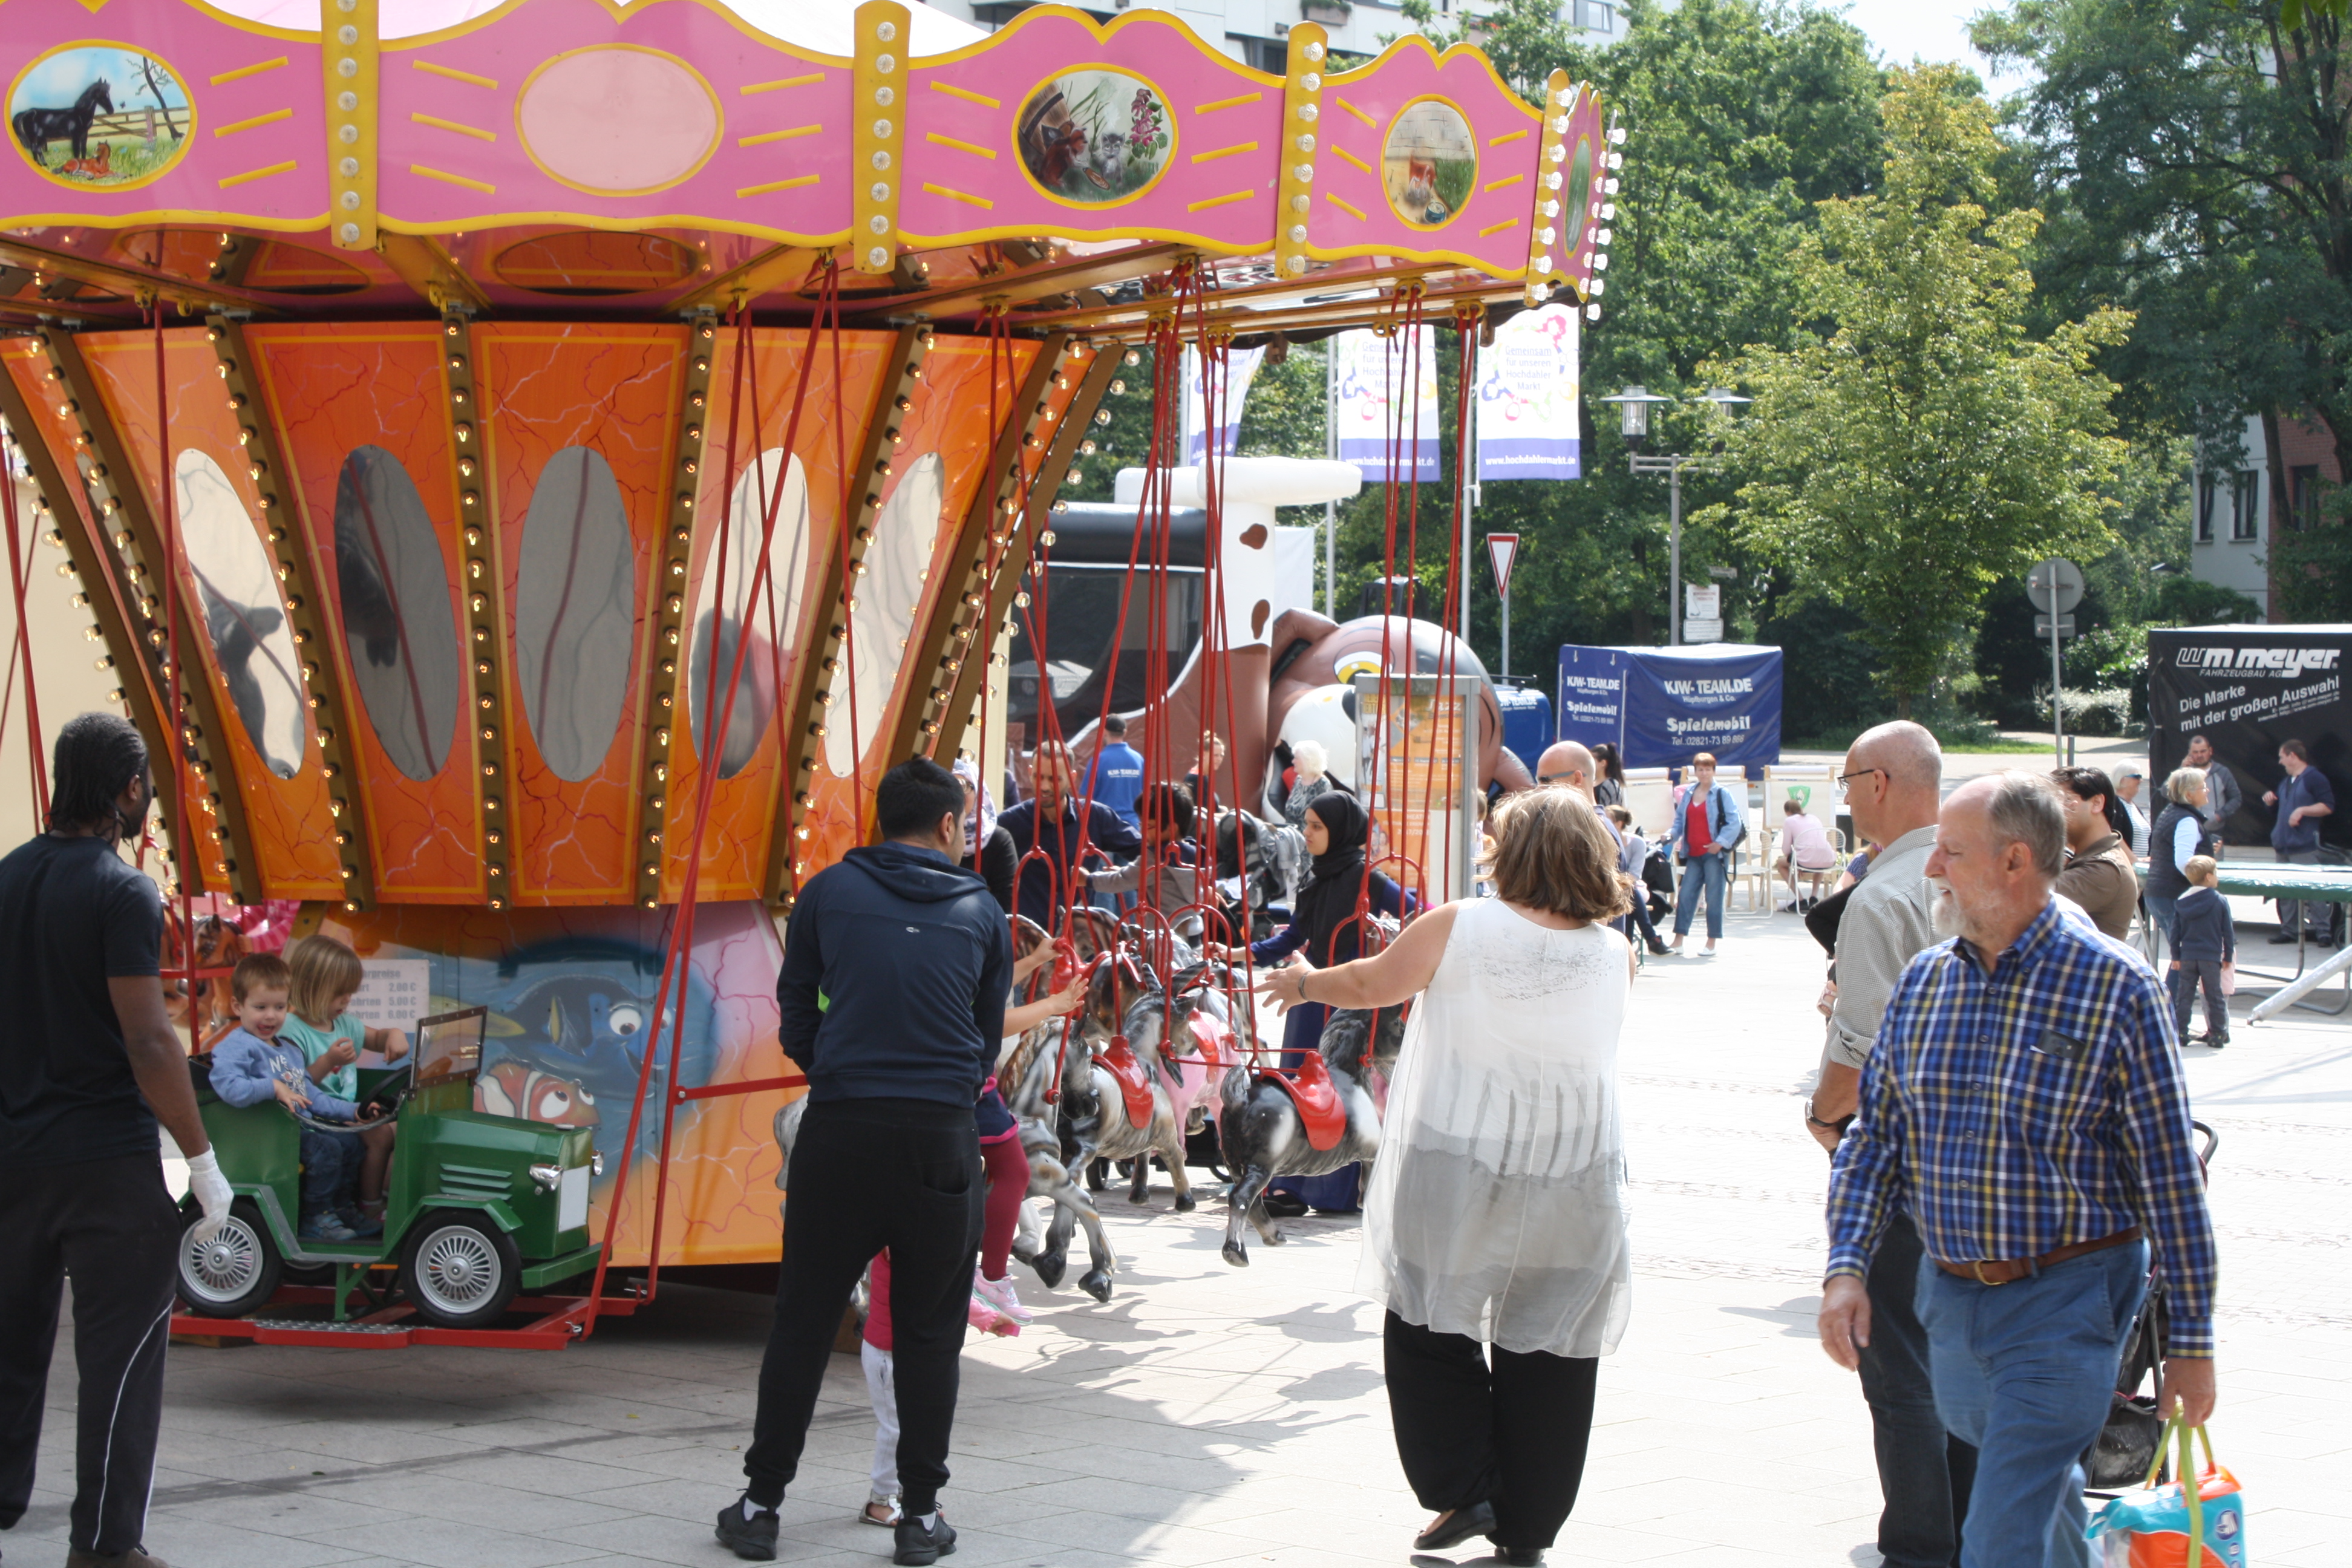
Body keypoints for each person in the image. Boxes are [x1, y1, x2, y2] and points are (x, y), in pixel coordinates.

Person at [1820, 771, 2218, 1568]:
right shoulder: (1926, 985)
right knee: (2042, 1492)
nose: (1930, 868)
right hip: (1951, 1302)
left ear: (2014, 862)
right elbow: (1876, 1142)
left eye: (1948, 851)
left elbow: (2173, 1181)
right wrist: (1847, 1268)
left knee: (1999, 1532)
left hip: (2068, 1301)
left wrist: (2192, 1346)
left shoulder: (2114, 988)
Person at [1253, 788, 1633, 1567]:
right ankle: (1527, 1527)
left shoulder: (1461, 925)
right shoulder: (1616, 953)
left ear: (1512, 852)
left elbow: (1371, 985)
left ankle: (1468, 1483)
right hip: (1576, 1175)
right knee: (1553, 1349)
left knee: (1427, 1324)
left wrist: (1302, 985)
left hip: (1461, 1160)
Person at [731, 757, 1012, 1565]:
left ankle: (760, 1507)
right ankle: (920, 1520)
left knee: (803, 1322)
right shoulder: (981, 913)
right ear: (951, 827)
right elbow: (985, 1039)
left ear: (881, 821)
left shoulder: (826, 894)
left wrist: (835, 1070)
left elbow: (795, 1005)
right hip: (941, 1140)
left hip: (843, 1128)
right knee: (929, 1333)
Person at [0, 711, 234, 1568]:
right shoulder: (124, 891)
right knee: (120, 1363)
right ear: (128, 789)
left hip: (13, 1158)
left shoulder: (7, 878)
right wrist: (202, 1160)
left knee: (11, 1350)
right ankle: (104, 1547)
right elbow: (148, 1038)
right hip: (106, 1162)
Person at [1803, 720, 1975, 1568]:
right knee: (1968, 1362)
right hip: (1992, 1172)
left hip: (1908, 1167)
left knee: (1901, 1367)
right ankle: (1975, 1530)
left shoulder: (1882, 896)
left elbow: (1860, 1052)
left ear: (1880, 783)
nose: (1843, 797)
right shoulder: (1986, 871)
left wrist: (1825, 1118)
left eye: (1847, 780)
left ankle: (1917, 1542)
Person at [208, 953, 388, 1240]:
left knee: (351, 1144)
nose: (271, 1016)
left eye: (279, 1007)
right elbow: (228, 1087)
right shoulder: (238, 1046)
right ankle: (315, 1218)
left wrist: (353, 1111)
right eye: (260, 1007)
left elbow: (309, 1094)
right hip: (265, 1135)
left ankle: (341, 1209)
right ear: (237, 1006)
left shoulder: (287, 1048)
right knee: (326, 1149)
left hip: (294, 1130)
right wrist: (273, 1087)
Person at [281, 934, 410, 1226]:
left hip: (344, 1114)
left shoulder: (345, 1023)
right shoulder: (291, 1028)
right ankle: (370, 1204)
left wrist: (395, 1035)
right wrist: (329, 1062)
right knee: (378, 1134)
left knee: (404, 1127)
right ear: (311, 987)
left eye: (350, 992)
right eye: (339, 993)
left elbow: (377, 1037)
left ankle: (391, 1196)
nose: (347, 1000)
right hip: (313, 1119)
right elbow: (298, 1084)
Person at [996, 740, 1140, 930]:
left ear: (1072, 778)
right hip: (1029, 942)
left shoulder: (1095, 817)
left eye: (1054, 779)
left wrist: (1118, 877)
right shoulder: (1009, 824)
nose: (1045, 786)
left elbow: (1146, 852)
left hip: (1079, 943)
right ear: (1030, 772)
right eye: (1039, 777)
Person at [1667, 751, 1745, 956]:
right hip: (1693, 853)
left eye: (1707, 769)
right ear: (1695, 771)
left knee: (1714, 897)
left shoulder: (1721, 793)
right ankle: (1678, 940)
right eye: (1700, 769)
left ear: (1714, 770)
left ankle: (1711, 942)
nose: (1704, 773)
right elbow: (1679, 822)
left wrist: (1720, 843)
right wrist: (1670, 836)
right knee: (1685, 895)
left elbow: (1734, 822)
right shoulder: (1690, 793)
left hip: (1714, 855)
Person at [2050, 766, 2139, 941]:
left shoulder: (2105, 868)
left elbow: (2025, 898)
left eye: (2064, 800)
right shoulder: (2090, 856)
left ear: (2097, 803)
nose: (2053, 811)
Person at [2262, 738, 2336, 944]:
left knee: (2313, 889)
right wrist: (2271, 802)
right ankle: (2289, 931)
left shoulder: (2315, 778)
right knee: (2285, 891)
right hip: (2283, 845)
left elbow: (2328, 806)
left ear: (2292, 756)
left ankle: (2323, 932)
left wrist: (2303, 810)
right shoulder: (2285, 782)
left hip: (2304, 845)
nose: (2280, 762)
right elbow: (2280, 810)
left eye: (2282, 757)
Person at [2143, 768, 2215, 950]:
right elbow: (2183, 861)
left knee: (2184, 956)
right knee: (2186, 958)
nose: (2207, 790)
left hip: (2158, 894)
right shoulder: (2187, 820)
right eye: (2203, 787)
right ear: (2189, 794)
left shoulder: (2170, 813)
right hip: (2174, 894)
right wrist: (2204, 883)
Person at [2169, 855, 2233, 1050]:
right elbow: (2227, 931)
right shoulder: (2219, 900)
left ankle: (2181, 1033)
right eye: (2215, 873)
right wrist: (2228, 956)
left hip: (2187, 957)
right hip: (2210, 958)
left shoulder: (2182, 902)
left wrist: (2175, 956)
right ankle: (2218, 1034)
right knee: (2214, 996)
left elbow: (2175, 932)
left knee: (2185, 996)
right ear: (2208, 877)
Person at [951, 759, 1014, 913]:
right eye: (950, 786)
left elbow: (1007, 904)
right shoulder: (934, 834)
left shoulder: (998, 840)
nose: (957, 794)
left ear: (978, 790)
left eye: (964, 786)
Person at [1606, 805, 1669, 956]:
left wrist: (1619, 884)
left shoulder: (1637, 843)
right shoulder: (1602, 842)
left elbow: (1635, 874)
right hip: (1611, 887)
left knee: (1629, 891)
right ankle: (1651, 939)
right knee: (1629, 896)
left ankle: (1626, 950)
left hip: (1632, 886)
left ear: (1618, 824)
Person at [1775, 797, 1839, 911]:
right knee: (1820, 860)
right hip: (1828, 858)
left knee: (1780, 864)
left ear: (1787, 812)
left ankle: (1800, 900)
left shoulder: (1789, 821)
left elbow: (1786, 850)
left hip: (1806, 859)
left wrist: (1796, 862)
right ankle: (1814, 897)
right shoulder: (1814, 818)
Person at [1086, 714, 1146, 835]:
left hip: (1105, 827)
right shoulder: (1138, 759)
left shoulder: (1098, 761)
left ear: (1104, 731)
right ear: (1125, 732)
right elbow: (1146, 793)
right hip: (1133, 827)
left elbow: (1086, 798)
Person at [2184, 734, 2239, 853]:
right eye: (2196, 752)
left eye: (2203, 751)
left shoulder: (2222, 772)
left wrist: (2219, 816)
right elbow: (2166, 792)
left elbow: (2236, 798)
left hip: (2214, 833)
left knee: (2214, 868)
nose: (2199, 755)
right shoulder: (2185, 773)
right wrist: (2181, 769)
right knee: (2191, 869)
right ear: (2190, 753)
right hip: (2189, 831)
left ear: (2210, 751)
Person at [1281, 738, 1335, 828]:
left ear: (1308, 761)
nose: (1293, 761)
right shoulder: (1299, 780)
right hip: (1292, 837)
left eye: (1297, 758)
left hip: (1310, 838)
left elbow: (1326, 820)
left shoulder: (1323, 785)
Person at [2113, 764, 2151, 858]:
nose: (2141, 781)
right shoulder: (2115, 804)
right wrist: (2134, 860)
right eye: (2137, 777)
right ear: (2122, 780)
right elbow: (2114, 834)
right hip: (2127, 865)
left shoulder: (2134, 807)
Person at [1590, 742, 1626, 809]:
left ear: (1603, 763)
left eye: (1592, 760)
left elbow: (1613, 812)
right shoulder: (1591, 782)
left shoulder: (1610, 785)